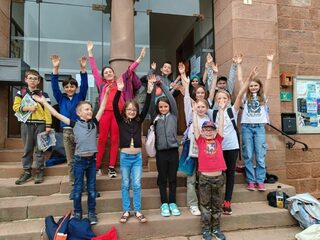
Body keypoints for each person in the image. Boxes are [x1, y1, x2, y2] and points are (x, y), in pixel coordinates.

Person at [32, 87, 110, 225]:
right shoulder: (74, 123)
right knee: (78, 188)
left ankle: (92, 213)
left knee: (92, 189)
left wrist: (106, 94)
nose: (90, 111)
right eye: (86, 109)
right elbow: (56, 115)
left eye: (90, 109)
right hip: (79, 161)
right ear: (79, 113)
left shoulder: (94, 123)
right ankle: (78, 212)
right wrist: (44, 102)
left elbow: (103, 107)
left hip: (91, 161)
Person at [87, 41, 145, 178]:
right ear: (103, 75)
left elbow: (130, 70)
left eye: (110, 71)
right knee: (101, 139)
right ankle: (97, 167)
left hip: (118, 115)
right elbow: (94, 70)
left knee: (115, 140)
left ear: (113, 73)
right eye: (106, 72)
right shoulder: (101, 84)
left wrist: (140, 59)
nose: (108, 73)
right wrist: (90, 53)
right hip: (105, 114)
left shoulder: (120, 81)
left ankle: (112, 167)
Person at [209, 66, 259, 215]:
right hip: (218, 147)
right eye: (219, 98)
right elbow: (209, 95)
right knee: (218, 174)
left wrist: (249, 79)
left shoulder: (233, 109)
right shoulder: (213, 112)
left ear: (228, 99)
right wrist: (214, 76)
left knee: (230, 174)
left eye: (224, 98)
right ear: (216, 101)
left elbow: (241, 94)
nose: (222, 100)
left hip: (231, 147)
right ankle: (216, 200)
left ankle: (227, 201)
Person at [113, 75, 155, 224]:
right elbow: (114, 106)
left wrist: (149, 92)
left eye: (133, 109)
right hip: (125, 157)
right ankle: (126, 210)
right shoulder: (120, 121)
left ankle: (137, 210)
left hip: (137, 158)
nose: (131, 111)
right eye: (129, 109)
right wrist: (119, 91)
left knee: (136, 184)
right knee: (125, 184)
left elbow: (147, 106)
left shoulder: (139, 121)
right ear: (125, 111)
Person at [50, 54, 88, 199]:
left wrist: (82, 70)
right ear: (64, 88)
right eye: (67, 86)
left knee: (83, 160)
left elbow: (84, 85)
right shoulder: (61, 98)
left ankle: (85, 185)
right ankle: (74, 187)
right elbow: (54, 86)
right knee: (71, 161)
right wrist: (55, 68)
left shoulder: (80, 97)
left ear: (75, 88)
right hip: (66, 133)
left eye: (72, 86)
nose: (70, 88)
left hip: (80, 131)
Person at [192, 100, 227, 240]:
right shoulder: (200, 141)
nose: (208, 132)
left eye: (211, 130)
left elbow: (222, 126)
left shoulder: (218, 139)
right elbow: (195, 127)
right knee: (205, 205)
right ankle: (206, 230)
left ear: (214, 131)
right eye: (205, 130)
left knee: (217, 205)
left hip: (218, 178)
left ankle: (216, 229)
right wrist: (194, 113)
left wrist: (222, 110)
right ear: (202, 131)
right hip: (205, 178)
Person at [241, 52, 274, 192]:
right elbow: (239, 81)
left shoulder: (263, 97)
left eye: (255, 85)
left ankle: (260, 180)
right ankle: (251, 180)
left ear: (259, 87)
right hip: (247, 127)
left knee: (260, 156)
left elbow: (268, 78)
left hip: (259, 128)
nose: (253, 87)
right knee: (248, 155)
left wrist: (269, 62)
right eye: (251, 85)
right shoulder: (245, 97)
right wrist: (239, 65)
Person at [13, 69, 52, 185]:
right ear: (26, 80)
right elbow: (15, 107)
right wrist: (28, 108)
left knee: (40, 149)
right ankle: (27, 171)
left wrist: (48, 125)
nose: (32, 80)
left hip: (40, 124)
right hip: (26, 124)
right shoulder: (21, 93)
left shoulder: (43, 95)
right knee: (27, 149)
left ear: (39, 81)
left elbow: (48, 111)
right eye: (30, 78)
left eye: (35, 78)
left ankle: (39, 171)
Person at [148, 80, 180, 217]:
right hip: (161, 153)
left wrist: (162, 86)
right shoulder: (155, 118)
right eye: (160, 107)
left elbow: (172, 99)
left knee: (172, 178)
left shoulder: (174, 116)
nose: (163, 109)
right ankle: (164, 203)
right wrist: (153, 88)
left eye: (165, 107)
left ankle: (172, 202)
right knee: (162, 178)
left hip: (173, 151)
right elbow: (150, 105)